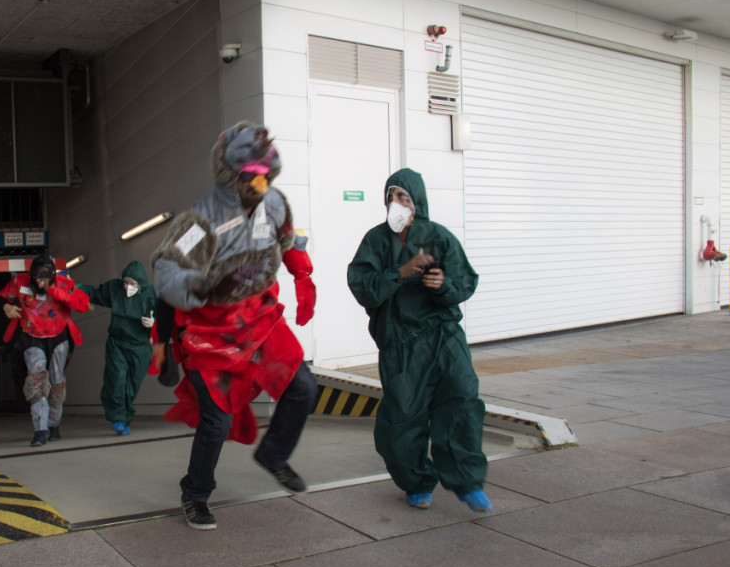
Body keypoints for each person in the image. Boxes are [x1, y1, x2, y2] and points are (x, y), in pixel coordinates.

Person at [152, 121, 318, 530]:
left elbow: (286, 239)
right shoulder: (199, 221)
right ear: (230, 175)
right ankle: (195, 493)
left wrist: (301, 272)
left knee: (303, 388)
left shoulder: (275, 205)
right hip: (210, 329)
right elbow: (166, 272)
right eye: (249, 176)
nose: (258, 184)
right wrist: (201, 283)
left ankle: (274, 454)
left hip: (256, 317)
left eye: (264, 176)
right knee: (217, 421)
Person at [347, 168, 493, 513]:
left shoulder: (439, 237)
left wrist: (442, 285)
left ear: (418, 201)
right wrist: (401, 272)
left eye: (404, 197)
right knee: (403, 419)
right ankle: (415, 482)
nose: (396, 204)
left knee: (461, 403)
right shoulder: (376, 241)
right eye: (391, 197)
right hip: (402, 345)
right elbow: (361, 286)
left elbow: (466, 282)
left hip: (444, 337)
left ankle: (467, 482)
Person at [0, 251, 90, 447]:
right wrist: (6, 307)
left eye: (45, 277)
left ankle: (54, 425)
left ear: (53, 276)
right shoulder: (20, 283)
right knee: (37, 382)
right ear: (31, 274)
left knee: (56, 382)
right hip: (31, 338)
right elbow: (0, 297)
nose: (40, 281)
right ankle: (40, 430)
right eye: (37, 276)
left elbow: (83, 304)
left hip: (58, 338)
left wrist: (61, 294)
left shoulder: (64, 283)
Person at [78, 261, 158, 437]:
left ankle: (124, 417)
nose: (128, 287)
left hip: (140, 348)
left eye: (132, 284)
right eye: (125, 283)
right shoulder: (114, 290)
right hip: (118, 344)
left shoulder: (152, 295)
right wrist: (71, 286)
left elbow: (170, 319)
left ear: (141, 284)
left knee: (131, 386)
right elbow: (92, 293)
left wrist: (154, 325)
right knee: (117, 380)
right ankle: (118, 419)